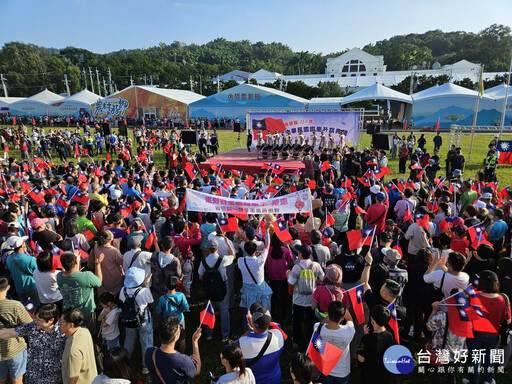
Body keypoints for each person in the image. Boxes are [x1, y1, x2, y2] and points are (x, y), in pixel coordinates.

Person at [0, 303, 66, 384]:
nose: (35, 322)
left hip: (54, 378)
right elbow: (8, 333)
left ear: (51, 320)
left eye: (39, 320)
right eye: (35, 318)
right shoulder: (32, 327)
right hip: (33, 377)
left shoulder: (63, 331)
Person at [466, 270, 511, 384]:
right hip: (494, 335)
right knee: (489, 359)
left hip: (475, 333)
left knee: (475, 360)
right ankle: (488, 380)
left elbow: (468, 317)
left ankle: (473, 381)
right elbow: (508, 320)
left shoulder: (474, 298)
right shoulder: (503, 299)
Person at [287, 244, 324, 350]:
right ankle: (310, 339)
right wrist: (314, 282)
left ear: (301, 255)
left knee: (297, 320)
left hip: (298, 299)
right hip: (312, 299)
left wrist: (287, 275)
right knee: (311, 320)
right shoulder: (316, 265)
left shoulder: (296, 267)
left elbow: (291, 283)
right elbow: (323, 279)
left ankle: (296, 341)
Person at [145, 315, 202, 384]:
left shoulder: (149, 352)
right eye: (180, 328)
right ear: (175, 338)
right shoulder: (183, 361)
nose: (181, 329)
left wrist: (185, 360)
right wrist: (195, 341)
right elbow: (197, 370)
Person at [57, 251, 103, 335]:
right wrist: (98, 264)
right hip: (86, 313)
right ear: (76, 262)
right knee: (88, 334)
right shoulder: (86, 276)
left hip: (68, 313)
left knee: (73, 334)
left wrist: (75, 261)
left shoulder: (59, 276)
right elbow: (99, 282)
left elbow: (71, 272)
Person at [120, 267, 154, 374]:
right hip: (144, 320)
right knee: (146, 342)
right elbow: (151, 300)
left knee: (129, 341)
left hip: (129, 320)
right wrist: (147, 285)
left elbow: (122, 301)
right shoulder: (143, 291)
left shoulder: (123, 290)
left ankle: (124, 363)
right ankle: (146, 366)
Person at [238, 306, 285, 384]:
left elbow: (231, 349)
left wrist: (249, 331)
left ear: (252, 323)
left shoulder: (242, 342)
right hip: (275, 380)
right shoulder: (279, 335)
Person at [0, 277, 32, 384]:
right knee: (17, 379)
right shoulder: (15, 305)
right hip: (14, 349)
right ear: (8, 287)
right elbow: (29, 326)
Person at [313, 301, 355, 384]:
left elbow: (323, 323)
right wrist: (341, 304)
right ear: (342, 317)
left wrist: (334, 308)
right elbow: (350, 319)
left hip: (325, 369)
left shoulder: (318, 328)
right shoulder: (349, 332)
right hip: (343, 372)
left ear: (328, 313)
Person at [357, 305, 397, 384]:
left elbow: (361, 359)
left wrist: (366, 336)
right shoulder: (390, 335)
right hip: (385, 375)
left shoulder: (367, 339)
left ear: (372, 320)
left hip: (371, 375)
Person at [60, 308, 98, 384]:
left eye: (61, 321)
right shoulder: (84, 331)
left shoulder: (74, 350)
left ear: (70, 325)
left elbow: (74, 378)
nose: (59, 323)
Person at [157, 276, 189, 352]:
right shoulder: (181, 295)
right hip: (179, 320)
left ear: (165, 286)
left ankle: (167, 351)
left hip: (167, 320)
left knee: (167, 337)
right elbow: (186, 307)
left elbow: (159, 310)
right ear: (177, 286)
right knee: (181, 337)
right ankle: (182, 353)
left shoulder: (162, 298)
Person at [5, 236, 39, 305]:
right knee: (36, 307)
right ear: (22, 245)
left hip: (19, 289)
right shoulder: (31, 259)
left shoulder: (9, 258)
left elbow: (8, 269)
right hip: (32, 287)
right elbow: (39, 271)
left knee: (26, 309)